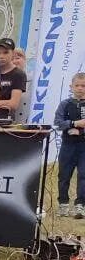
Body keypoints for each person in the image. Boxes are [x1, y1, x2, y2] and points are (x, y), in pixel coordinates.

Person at [53, 73, 85, 218]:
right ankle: (63, 204)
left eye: (83, 86)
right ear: (71, 87)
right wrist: (73, 124)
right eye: (77, 85)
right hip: (68, 145)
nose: (80, 89)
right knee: (64, 175)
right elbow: (58, 123)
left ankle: (80, 205)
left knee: (83, 175)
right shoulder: (65, 104)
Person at [0, 38, 26, 126]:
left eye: (5, 52)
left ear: (13, 54)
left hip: (4, 122)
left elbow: (13, 103)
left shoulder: (18, 74)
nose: (1, 56)